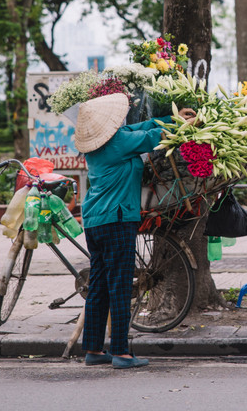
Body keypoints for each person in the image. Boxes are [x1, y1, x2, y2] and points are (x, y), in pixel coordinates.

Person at [74, 93, 196, 369]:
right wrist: (181, 125)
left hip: (94, 221)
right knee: (119, 286)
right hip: (117, 220)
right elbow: (152, 137)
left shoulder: (99, 146)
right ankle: (121, 352)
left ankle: (94, 349)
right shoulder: (118, 143)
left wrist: (172, 117)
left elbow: (143, 127)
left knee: (100, 285)